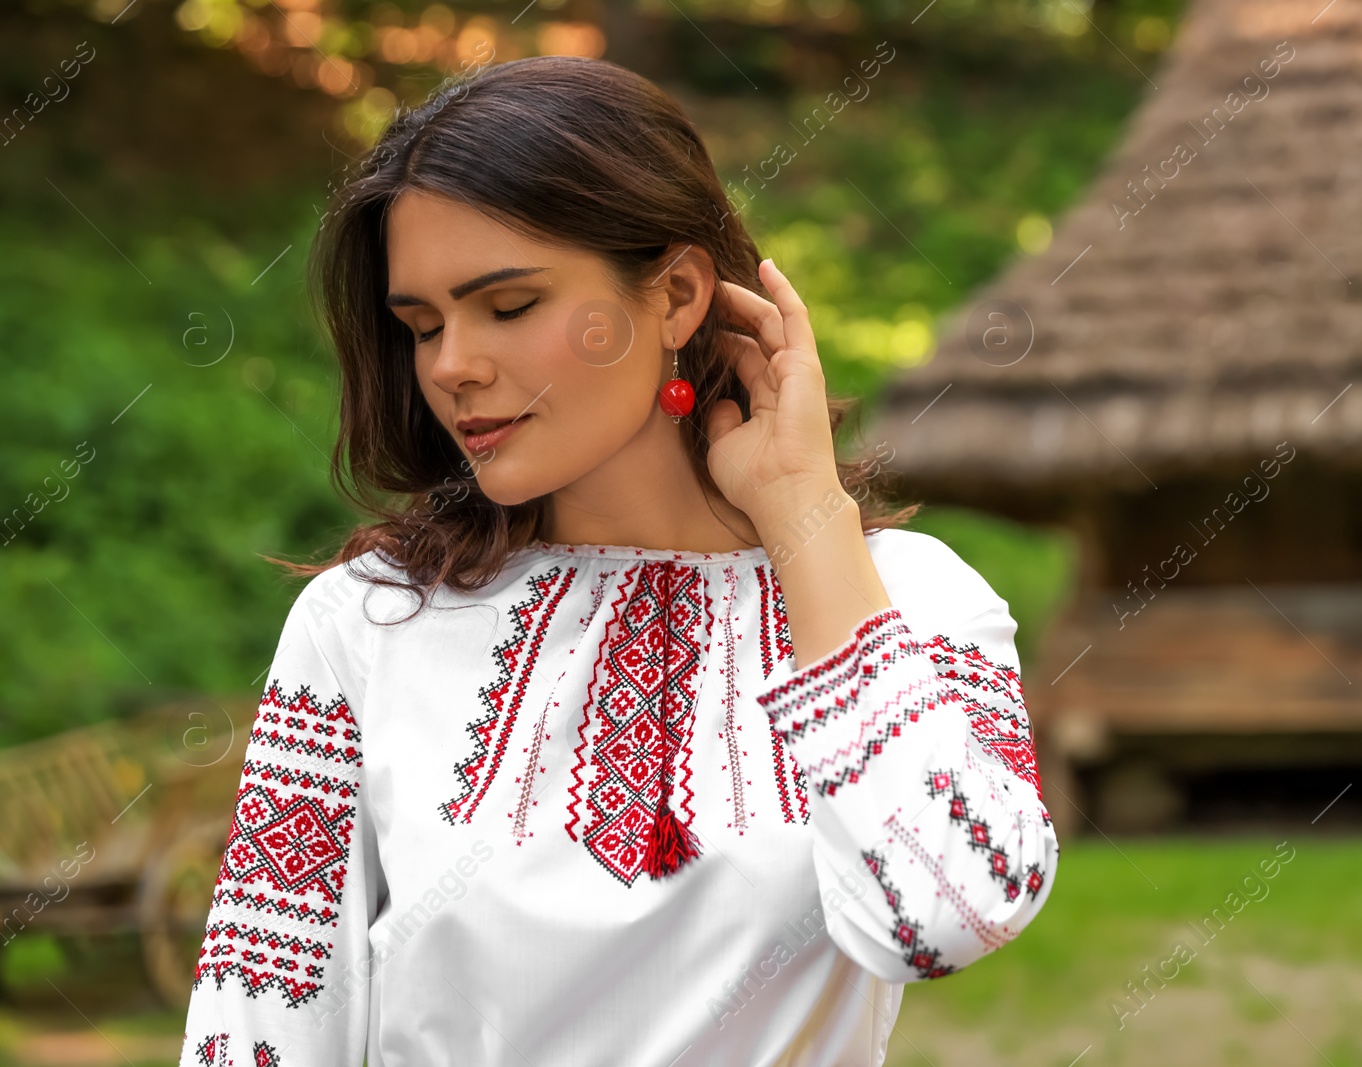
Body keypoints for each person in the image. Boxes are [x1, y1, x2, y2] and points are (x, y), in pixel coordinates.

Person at [178, 54, 1058, 1067]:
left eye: (507, 306)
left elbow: (947, 911)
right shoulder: (366, 624)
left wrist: (804, 515)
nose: (452, 364)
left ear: (678, 294)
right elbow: (257, 1025)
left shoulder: (907, 597)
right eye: (420, 325)